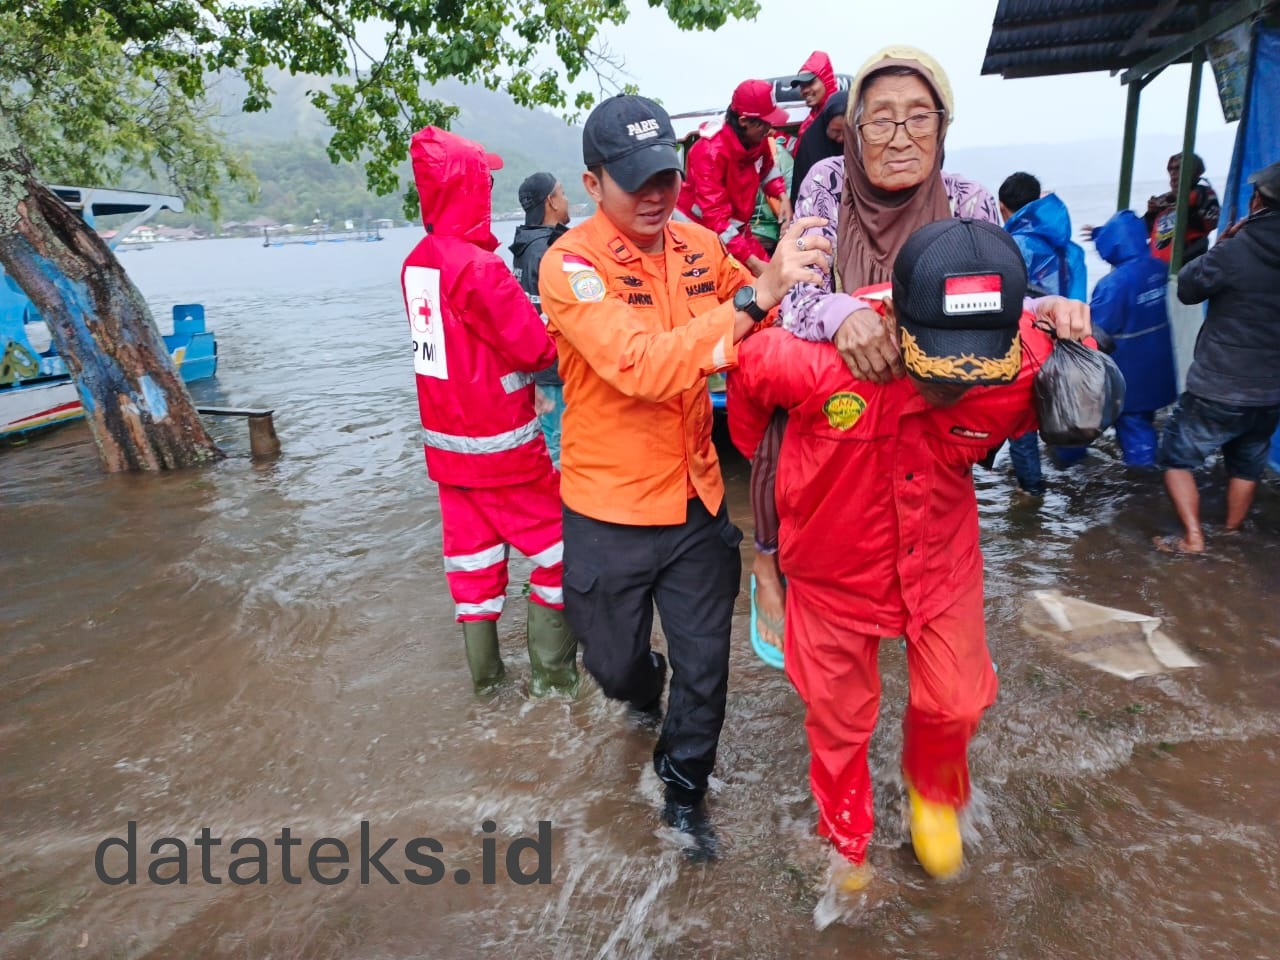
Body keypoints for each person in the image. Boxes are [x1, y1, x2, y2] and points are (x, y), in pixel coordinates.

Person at [728, 218, 1096, 890]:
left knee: (955, 700)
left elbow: (1069, 349)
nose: (956, 384)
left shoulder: (1029, 358)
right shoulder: (808, 361)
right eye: (940, 364)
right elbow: (747, 392)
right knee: (838, 715)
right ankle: (846, 835)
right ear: (895, 320)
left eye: (974, 367)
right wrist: (770, 527)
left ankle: (933, 793)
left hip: (939, 558)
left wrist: (1059, 311)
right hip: (831, 563)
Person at [538, 93, 829, 859]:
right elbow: (639, 365)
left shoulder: (701, 246)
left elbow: (776, 310)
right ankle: (642, 683)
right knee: (614, 667)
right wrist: (752, 300)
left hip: (698, 501)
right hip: (607, 510)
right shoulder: (571, 266)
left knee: (707, 671)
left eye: (666, 174)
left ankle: (683, 795)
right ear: (594, 184)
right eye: (637, 181)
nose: (657, 195)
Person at [749, 45, 1006, 654]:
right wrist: (843, 315)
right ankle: (764, 564)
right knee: (781, 439)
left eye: (920, 117)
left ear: (943, 126)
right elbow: (795, 295)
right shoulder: (826, 182)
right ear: (855, 131)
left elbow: (1004, 304)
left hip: (924, 393)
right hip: (838, 381)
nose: (899, 136)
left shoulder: (969, 200)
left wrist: (1054, 312)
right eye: (881, 118)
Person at [402, 127, 579, 698]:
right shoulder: (479, 269)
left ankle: (487, 691)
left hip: (446, 452)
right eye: (487, 179)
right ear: (469, 186)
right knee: (560, 553)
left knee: (472, 569)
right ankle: (553, 683)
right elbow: (533, 349)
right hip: (503, 447)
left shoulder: (417, 265)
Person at [1155, 159, 1280, 554]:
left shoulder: (1237, 248)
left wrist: (1223, 244)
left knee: (1175, 456)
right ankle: (1230, 530)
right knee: (1246, 463)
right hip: (1271, 390)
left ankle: (1193, 538)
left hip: (1219, 385)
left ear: (1257, 202)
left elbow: (1188, 288)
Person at [999, 171, 1088, 497]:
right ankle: (1076, 480)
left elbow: (1003, 300)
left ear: (1003, 208)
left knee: (1021, 425)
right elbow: (1080, 302)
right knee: (1066, 413)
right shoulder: (1072, 251)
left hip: (1026, 348)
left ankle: (1032, 492)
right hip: (1066, 346)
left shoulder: (1012, 246)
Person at [676, 79, 794, 276]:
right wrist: (753, 264)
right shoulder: (709, 152)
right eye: (764, 124)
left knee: (774, 280)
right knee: (745, 286)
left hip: (736, 231)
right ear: (744, 122)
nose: (769, 129)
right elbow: (716, 220)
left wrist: (782, 197)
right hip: (700, 235)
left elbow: (767, 170)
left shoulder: (757, 140)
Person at [1089, 209, 1178, 466]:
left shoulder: (1113, 284)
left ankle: (1146, 485)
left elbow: (1096, 331)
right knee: (1145, 420)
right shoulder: (1161, 268)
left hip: (1131, 376)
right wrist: (1098, 233)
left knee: (1134, 429)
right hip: (1162, 370)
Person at [510, 172, 572, 467]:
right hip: (557, 367)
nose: (566, 199)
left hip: (538, 367)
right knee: (562, 444)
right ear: (551, 201)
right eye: (562, 193)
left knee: (551, 440)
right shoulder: (548, 249)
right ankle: (565, 511)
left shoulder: (523, 246)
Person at [1145, 152, 1220, 264]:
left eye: (1178, 169)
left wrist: (1185, 210)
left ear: (1193, 172)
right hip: (1157, 265)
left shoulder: (1203, 194)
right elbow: (1146, 231)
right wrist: (1151, 214)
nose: (1173, 174)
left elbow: (1212, 222)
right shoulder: (1163, 199)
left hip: (1188, 262)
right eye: (1171, 169)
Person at [789, 90, 848, 208]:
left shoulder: (863, 142)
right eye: (835, 132)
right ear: (826, 124)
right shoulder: (811, 142)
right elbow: (802, 190)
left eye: (846, 131)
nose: (841, 138)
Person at [792, 51, 837, 142]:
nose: (805, 90)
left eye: (810, 83)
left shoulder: (839, 115)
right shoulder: (811, 119)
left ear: (827, 80)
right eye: (802, 86)